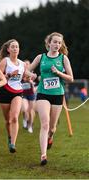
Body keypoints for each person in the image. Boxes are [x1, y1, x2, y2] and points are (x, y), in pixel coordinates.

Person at [30, 32, 73, 166]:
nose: (57, 45)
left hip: (57, 95)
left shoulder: (63, 58)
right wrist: (32, 76)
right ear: (49, 43)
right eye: (54, 42)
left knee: (52, 128)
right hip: (43, 93)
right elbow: (27, 71)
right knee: (45, 124)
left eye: (59, 43)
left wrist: (59, 73)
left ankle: (50, 137)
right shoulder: (40, 57)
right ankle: (43, 155)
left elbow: (71, 78)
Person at [0, 39, 36, 153]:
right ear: (8, 49)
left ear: (19, 49)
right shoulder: (5, 61)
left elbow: (26, 74)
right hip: (4, 92)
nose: (15, 48)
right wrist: (9, 75)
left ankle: (13, 143)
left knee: (14, 117)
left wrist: (32, 76)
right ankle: (9, 137)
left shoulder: (22, 64)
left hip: (17, 92)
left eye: (17, 46)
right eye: (12, 46)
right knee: (8, 120)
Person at [22, 60, 36, 133]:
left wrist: (31, 82)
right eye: (25, 64)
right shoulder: (21, 72)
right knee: (25, 109)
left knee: (30, 111)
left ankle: (30, 126)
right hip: (23, 94)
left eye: (28, 64)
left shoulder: (32, 73)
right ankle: (24, 119)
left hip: (31, 94)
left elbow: (34, 88)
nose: (26, 65)